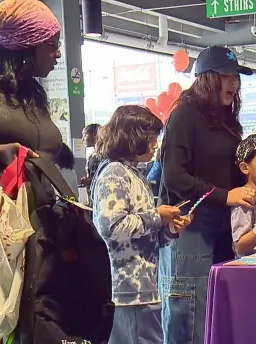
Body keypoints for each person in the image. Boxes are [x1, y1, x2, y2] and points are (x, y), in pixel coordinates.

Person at [0, 0, 62, 344]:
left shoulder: (32, 93)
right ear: (25, 44)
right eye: (51, 44)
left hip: (36, 236)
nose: (56, 54)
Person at [158, 46, 256, 344]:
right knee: (190, 314)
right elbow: (174, 176)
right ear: (205, 79)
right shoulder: (185, 116)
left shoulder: (226, 120)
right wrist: (225, 195)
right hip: (191, 227)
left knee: (217, 309)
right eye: (224, 77)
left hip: (223, 229)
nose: (232, 84)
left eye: (235, 77)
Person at [92, 105, 192, 344]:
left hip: (142, 289)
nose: (155, 145)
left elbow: (143, 233)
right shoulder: (115, 173)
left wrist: (169, 229)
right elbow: (112, 227)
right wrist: (157, 217)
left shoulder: (134, 174)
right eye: (150, 139)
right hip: (127, 290)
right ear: (132, 137)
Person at [80, 123, 102, 204]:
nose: (82, 139)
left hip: (99, 199)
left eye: (85, 135)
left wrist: (90, 181)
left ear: (94, 135)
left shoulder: (103, 156)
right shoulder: (92, 156)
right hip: (92, 198)